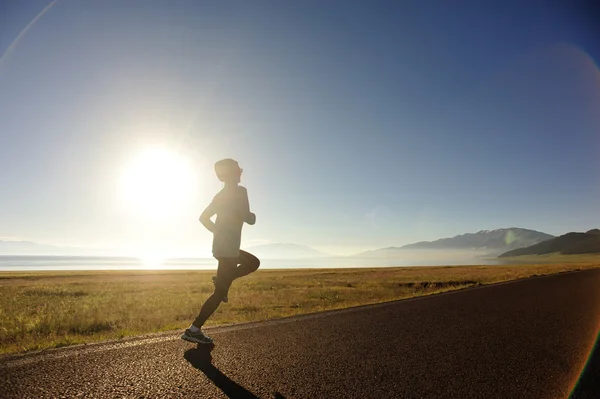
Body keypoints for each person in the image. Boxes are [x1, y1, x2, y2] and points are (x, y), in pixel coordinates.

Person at [181, 158, 260, 344]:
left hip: (221, 247)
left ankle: (223, 282)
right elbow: (249, 218)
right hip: (229, 249)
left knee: (251, 263)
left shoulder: (220, 195)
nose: (241, 172)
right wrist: (251, 216)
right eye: (239, 170)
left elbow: (203, 218)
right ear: (232, 173)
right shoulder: (241, 191)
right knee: (220, 293)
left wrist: (218, 231)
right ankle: (194, 330)